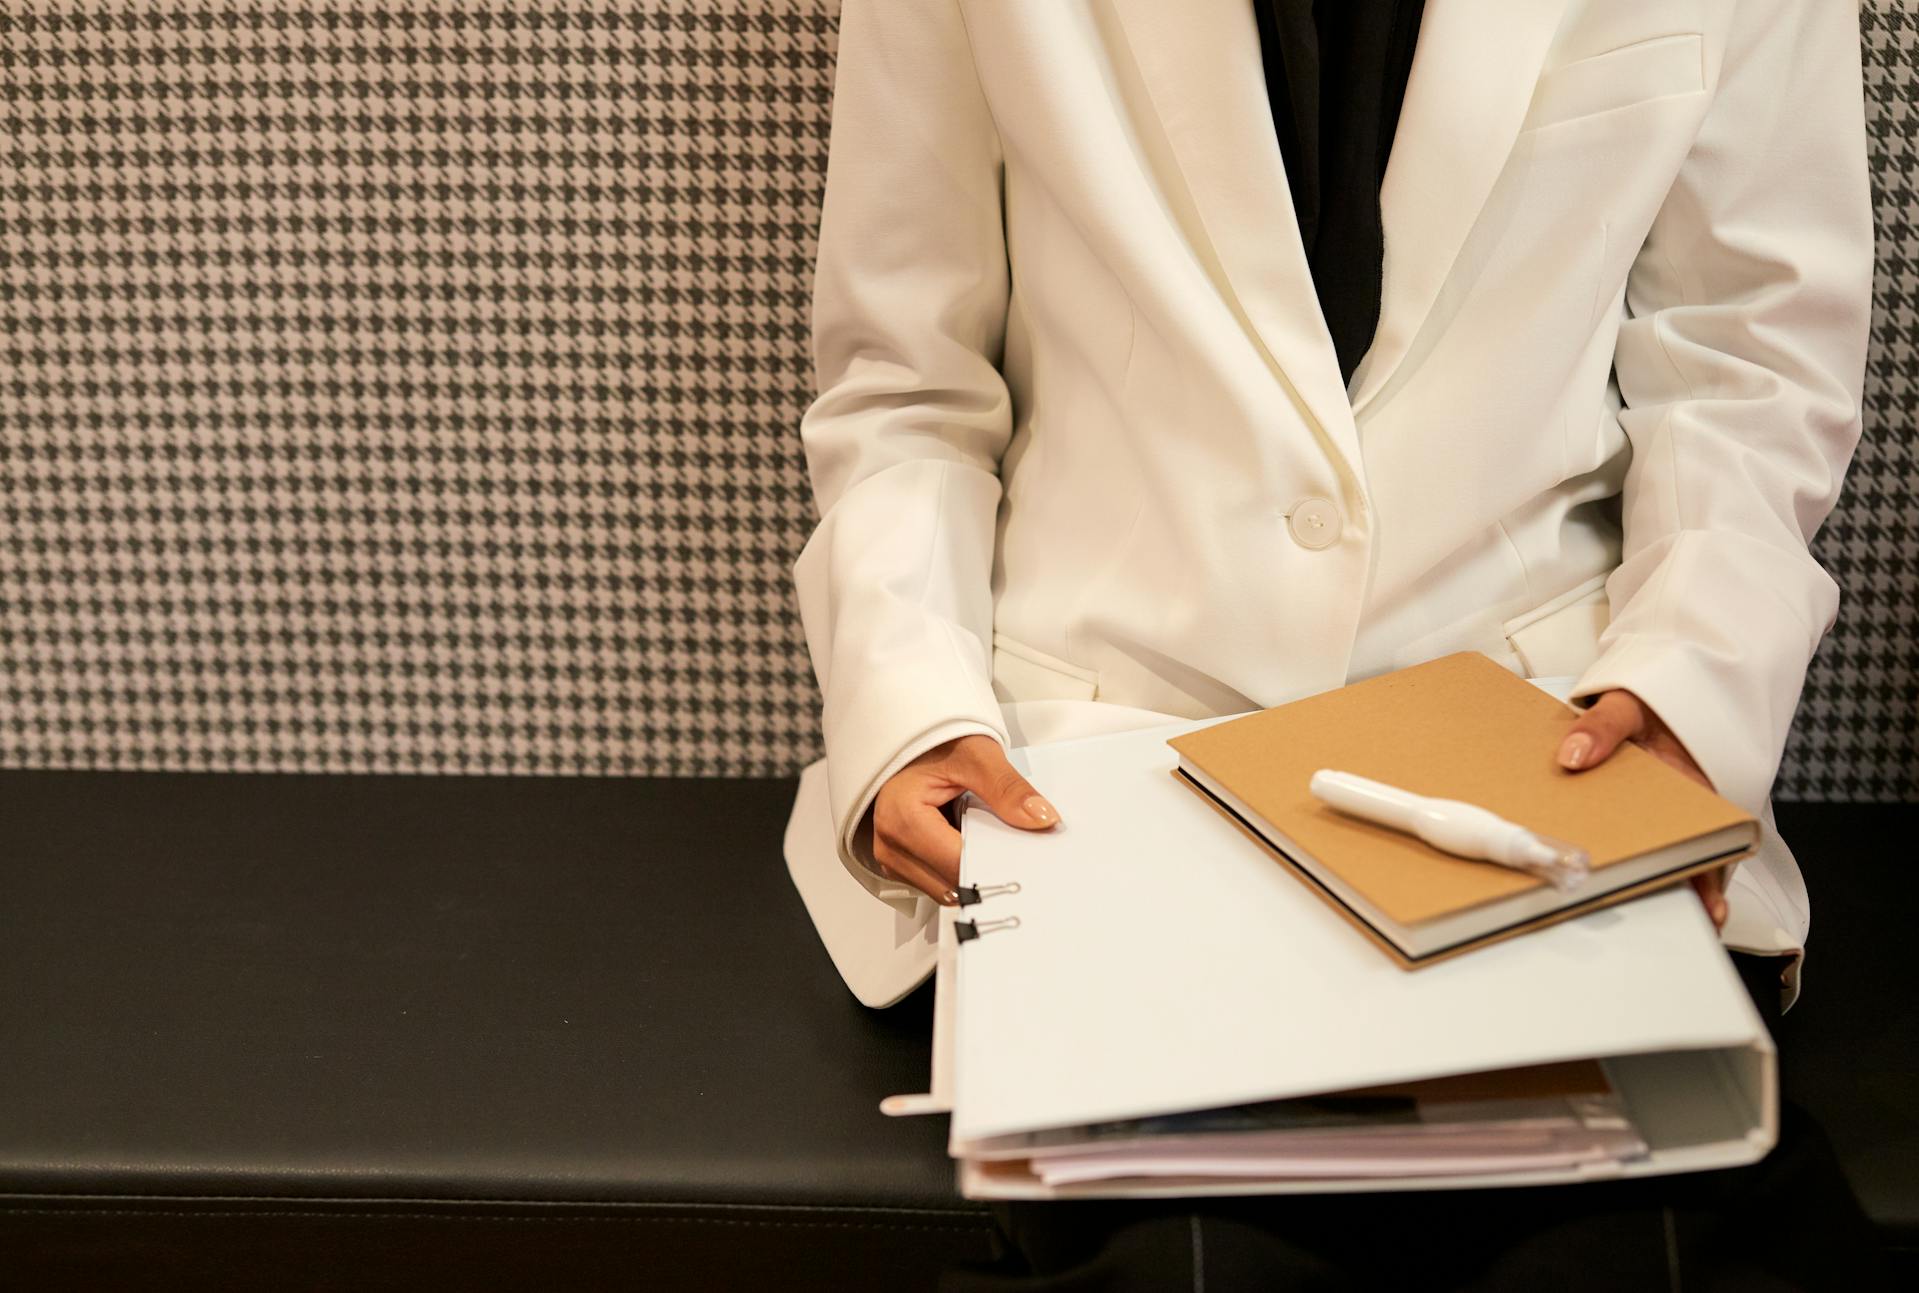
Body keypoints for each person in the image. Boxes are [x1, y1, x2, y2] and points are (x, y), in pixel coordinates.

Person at [783, 0, 1883, 1283]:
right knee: (1185, 1259)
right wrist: (907, 701)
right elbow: (904, 386)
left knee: (1628, 1250)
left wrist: (1692, 683)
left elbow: (1746, 361)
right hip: (1094, 771)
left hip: (1548, 758)